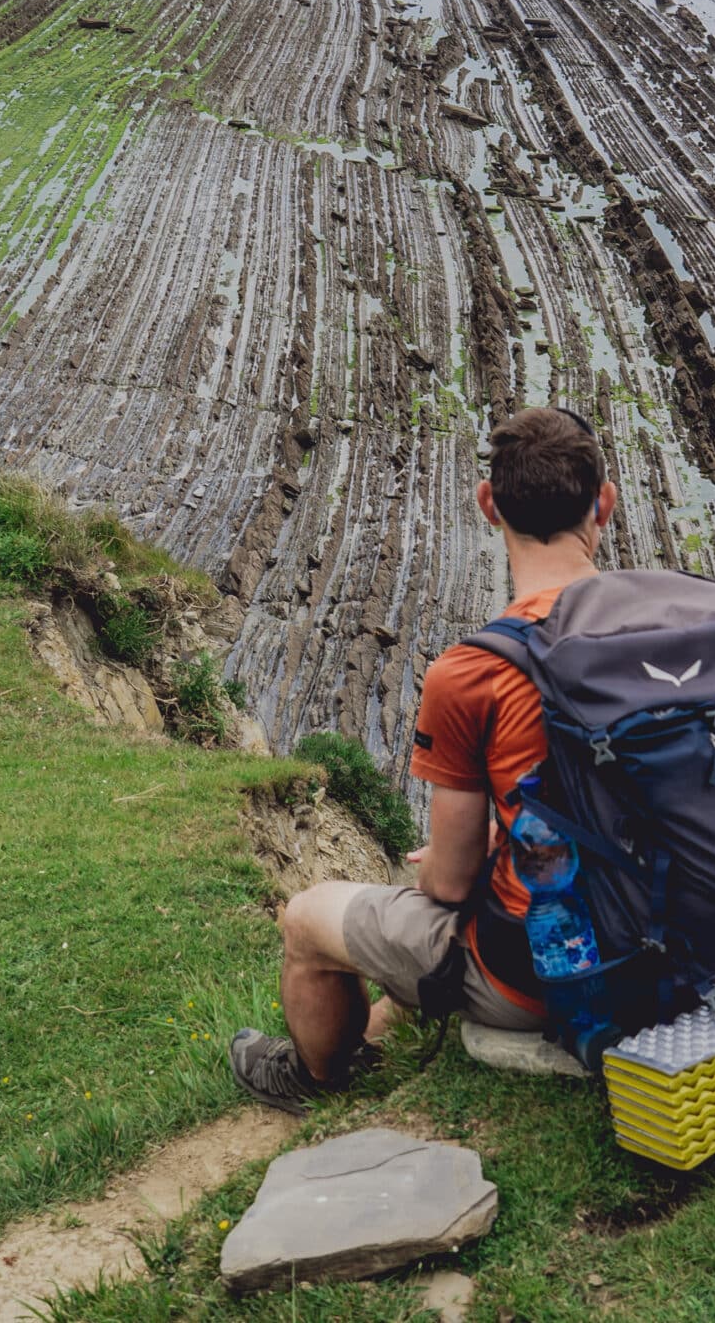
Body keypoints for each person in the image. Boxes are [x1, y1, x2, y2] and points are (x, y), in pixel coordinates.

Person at [229, 405, 610, 1112]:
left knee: (308, 919)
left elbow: (453, 885)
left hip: (558, 973)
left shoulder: (474, 672)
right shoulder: (691, 621)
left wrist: (438, 859)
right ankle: (381, 1029)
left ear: (488, 505)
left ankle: (313, 1082)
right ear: (605, 505)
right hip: (694, 933)